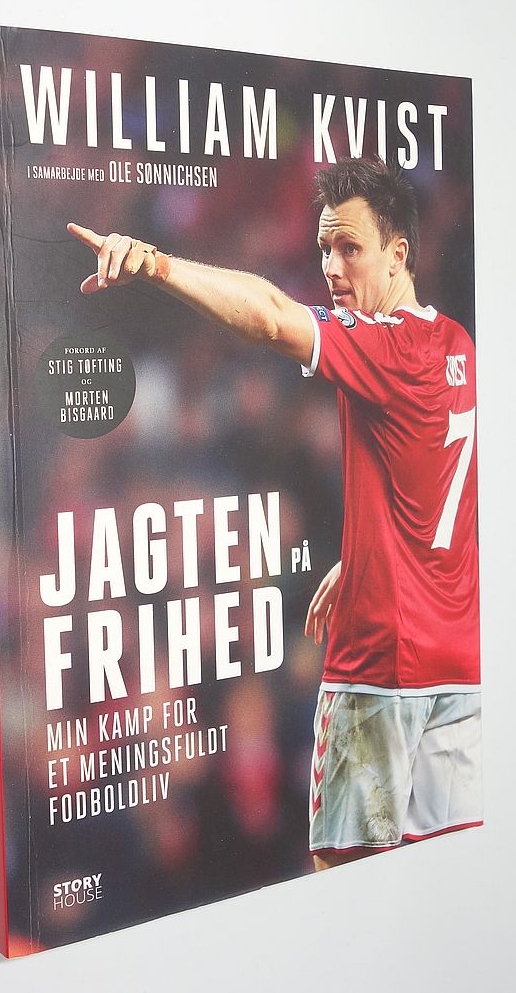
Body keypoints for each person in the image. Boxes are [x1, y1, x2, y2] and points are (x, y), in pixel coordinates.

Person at [67, 157, 482, 872]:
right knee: (448, 873)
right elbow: (450, 483)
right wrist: (369, 552)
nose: (332, 267)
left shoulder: (386, 348)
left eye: (350, 248)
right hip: (460, 665)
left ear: (399, 253)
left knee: (343, 880)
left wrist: (156, 265)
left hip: (384, 667)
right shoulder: (456, 345)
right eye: (324, 248)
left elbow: (267, 315)